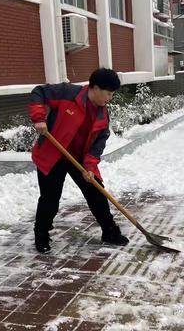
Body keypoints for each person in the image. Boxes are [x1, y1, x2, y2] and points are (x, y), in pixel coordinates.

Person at [28, 68, 129, 253]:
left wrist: (90, 166)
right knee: (50, 198)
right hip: (53, 153)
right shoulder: (67, 93)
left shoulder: (102, 114)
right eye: (109, 93)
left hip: (79, 158)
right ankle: (41, 235)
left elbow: (99, 142)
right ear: (96, 88)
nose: (110, 98)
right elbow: (39, 92)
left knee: (97, 193)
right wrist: (39, 118)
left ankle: (109, 231)